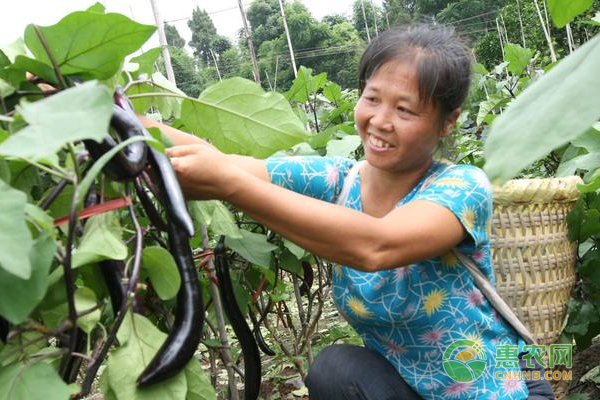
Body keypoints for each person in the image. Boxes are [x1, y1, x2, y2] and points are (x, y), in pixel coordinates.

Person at [145, 24, 555, 400]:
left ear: (448, 122)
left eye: (405, 110)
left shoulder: (462, 188)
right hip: (410, 385)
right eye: (372, 98)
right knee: (335, 368)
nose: (380, 121)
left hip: (501, 387)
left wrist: (228, 186)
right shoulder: (341, 181)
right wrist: (118, 116)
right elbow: (225, 162)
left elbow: (376, 246)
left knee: (336, 367)